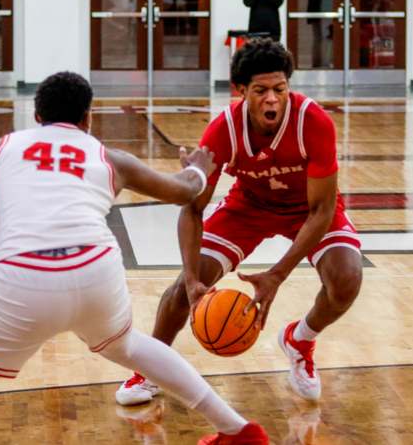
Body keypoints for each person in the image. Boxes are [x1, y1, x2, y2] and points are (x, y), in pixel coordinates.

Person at [0, 71, 268, 445]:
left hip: (25, 277)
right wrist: (197, 169)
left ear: (36, 115)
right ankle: (237, 429)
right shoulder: (109, 157)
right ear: (88, 118)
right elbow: (184, 191)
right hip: (96, 272)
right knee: (125, 344)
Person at [116, 39, 363, 406]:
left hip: (306, 209)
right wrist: (190, 278)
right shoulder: (223, 130)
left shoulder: (314, 123)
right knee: (183, 289)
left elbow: (322, 210)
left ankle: (300, 338)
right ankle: (150, 370)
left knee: (347, 279)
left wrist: (276, 275)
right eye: (261, 90)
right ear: (241, 90)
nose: (272, 99)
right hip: (248, 206)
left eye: (280, 89)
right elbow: (193, 207)